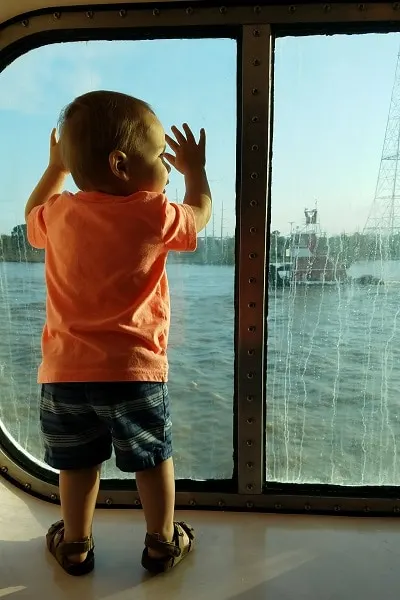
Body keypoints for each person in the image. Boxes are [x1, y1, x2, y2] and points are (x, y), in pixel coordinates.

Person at [25, 90, 212, 576]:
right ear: (121, 165)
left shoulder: (59, 214)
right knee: (152, 460)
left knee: (78, 465)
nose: (167, 171)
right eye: (161, 160)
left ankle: (76, 545)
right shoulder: (153, 212)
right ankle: (161, 543)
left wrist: (56, 169)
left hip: (64, 375)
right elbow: (201, 214)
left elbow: (30, 215)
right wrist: (196, 173)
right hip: (135, 373)